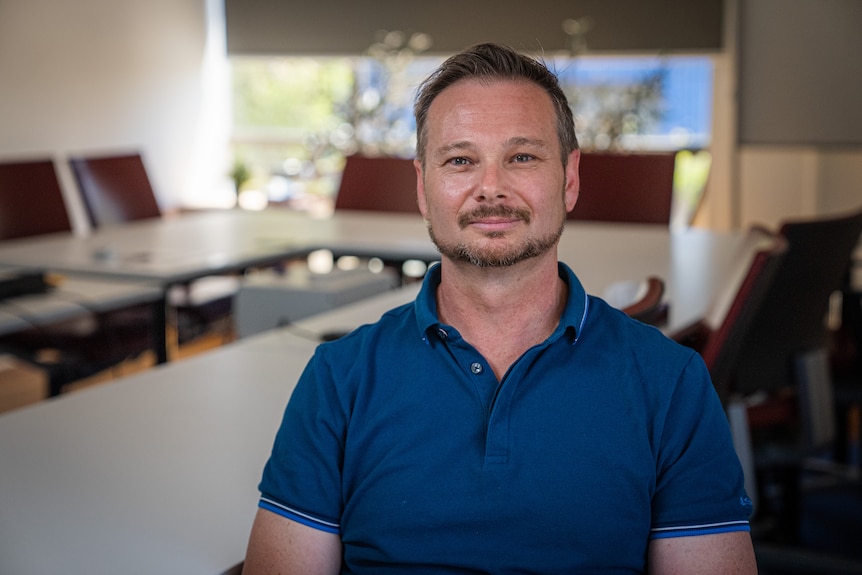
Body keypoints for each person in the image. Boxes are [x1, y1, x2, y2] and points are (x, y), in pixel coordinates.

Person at [244, 43, 757, 574]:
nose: (491, 188)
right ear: (423, 187)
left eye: (522, 157)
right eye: (461, 160)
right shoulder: (337, 380)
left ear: (570, 179)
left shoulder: (669, 383)